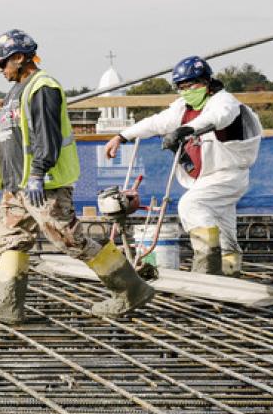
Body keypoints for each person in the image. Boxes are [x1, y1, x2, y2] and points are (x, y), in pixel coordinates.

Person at [0, 30, 155, 324]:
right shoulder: (16, 91)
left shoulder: (43, 87)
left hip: (43, 185)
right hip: (17, 186)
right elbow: (12, 138)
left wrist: (38, 172)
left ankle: (130, 289)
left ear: (19, 58)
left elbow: (46, 136)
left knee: (70, 240)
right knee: (11, 238)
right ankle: (5, 303)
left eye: (3, 64)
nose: (0, 70)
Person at [102, 56, 261, 276]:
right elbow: (156, 122)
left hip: (227, 175)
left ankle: (207, 270)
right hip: (204, 178)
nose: (187, 91)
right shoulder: (183, 108)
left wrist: (184, 131)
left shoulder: (224, 102)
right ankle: (230, 276)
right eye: (182, 87)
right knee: (225, 232)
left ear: (206, 82)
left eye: (191, 85)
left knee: (191, 206)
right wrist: (122, 136)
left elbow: (219, 117)